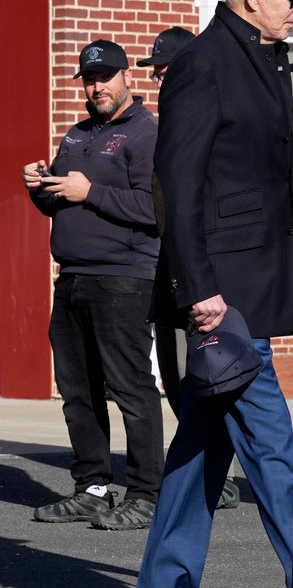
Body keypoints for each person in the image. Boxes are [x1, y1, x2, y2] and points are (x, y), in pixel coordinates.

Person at [137, 0, 293, 586]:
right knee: (276, 455)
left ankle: (162, 580)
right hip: (226, 301)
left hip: (256, 284)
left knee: (199, 452)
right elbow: (177, 184)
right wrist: (198, 290)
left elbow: (283, 187)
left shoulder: (268, 61)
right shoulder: (202, 64)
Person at [21, 39, 163, 531]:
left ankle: (147, 494)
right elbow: (62, 204)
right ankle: (94, 487)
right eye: (89, 79)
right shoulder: (76, 135)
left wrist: (91, 191)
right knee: (77, 390)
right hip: (74, 277)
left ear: (127, 77)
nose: (97, 86)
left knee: (130, 389)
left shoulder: (146, 134)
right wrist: (40, 186)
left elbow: (156, 210)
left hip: (125, 278)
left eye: (105, 77)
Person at [140, 25, 244, 510]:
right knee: (178, 381)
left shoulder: (195, 122)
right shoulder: (171, 123)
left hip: (195, 278)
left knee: (198, 382)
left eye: (164, 70)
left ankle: (211, 477)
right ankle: (203, 475)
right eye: (157, 73)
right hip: (167, 272)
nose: (161, 80)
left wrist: (193, 280)